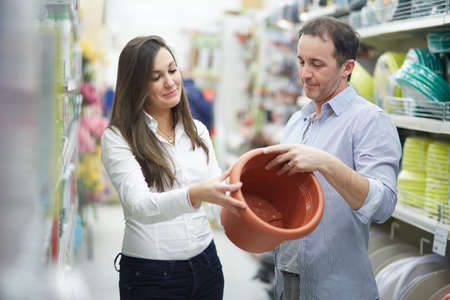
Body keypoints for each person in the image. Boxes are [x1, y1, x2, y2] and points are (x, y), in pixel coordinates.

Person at [263, 17, 402, 299]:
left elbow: (383, 205)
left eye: (317, 64)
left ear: (347, 68)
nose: (304, 74)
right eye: (301, 62)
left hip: (336, 287)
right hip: (287, 278)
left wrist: (326, 163)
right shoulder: (296, 122)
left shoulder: (370, 121)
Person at [101, 35, 247, 300]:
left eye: (172, 70)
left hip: (207, 266)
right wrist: (195, 195)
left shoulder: (197, 130)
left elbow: (217, 199)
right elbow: (139, 206)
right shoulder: (119, 137)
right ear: (135, 84)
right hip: (151, 276)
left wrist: (246, 199)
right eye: (156, 77)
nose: (170, 82)